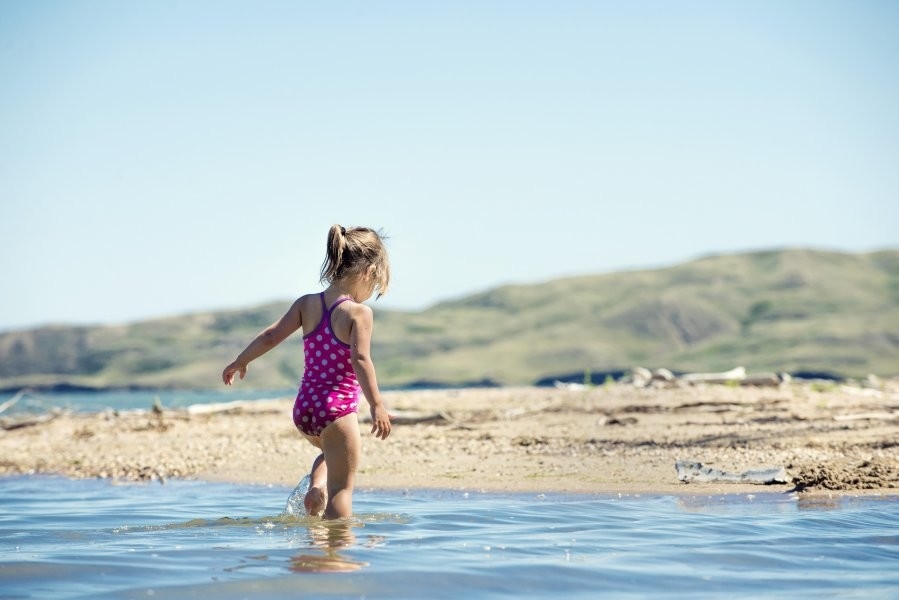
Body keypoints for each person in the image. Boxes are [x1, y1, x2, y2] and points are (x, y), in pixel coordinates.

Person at [222, 224, 392, 519]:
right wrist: (377, 404)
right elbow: (361, 359)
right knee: (344, 489)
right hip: (336, 410)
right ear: (369, 271)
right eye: (375, 284)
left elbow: (271, 336)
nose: (370, 294)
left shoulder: (306, 304)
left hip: (305, 408)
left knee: (330, 453)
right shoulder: (358, 313)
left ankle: (316, 487)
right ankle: (337, 555)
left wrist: (241, 360)